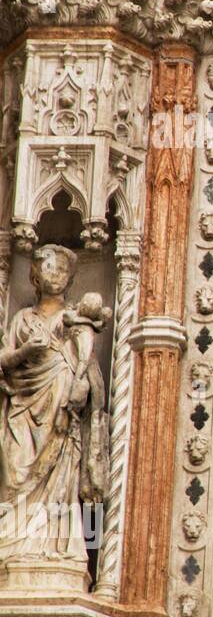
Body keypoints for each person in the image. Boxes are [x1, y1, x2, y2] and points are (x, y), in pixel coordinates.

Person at [0, 245, 107, 583]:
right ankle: (12, 546)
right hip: (22, 407)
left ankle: (57, 549)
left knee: (60, 480)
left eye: (62, 270)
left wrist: (78, 386)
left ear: (71, 277)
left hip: (61, 410)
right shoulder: (22, 320)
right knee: (16, 472)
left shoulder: (73, 318)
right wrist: (24, 352)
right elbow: (3, 360)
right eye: (48, 268)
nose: (56, 275)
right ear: (33, 275)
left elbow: (85, 363)